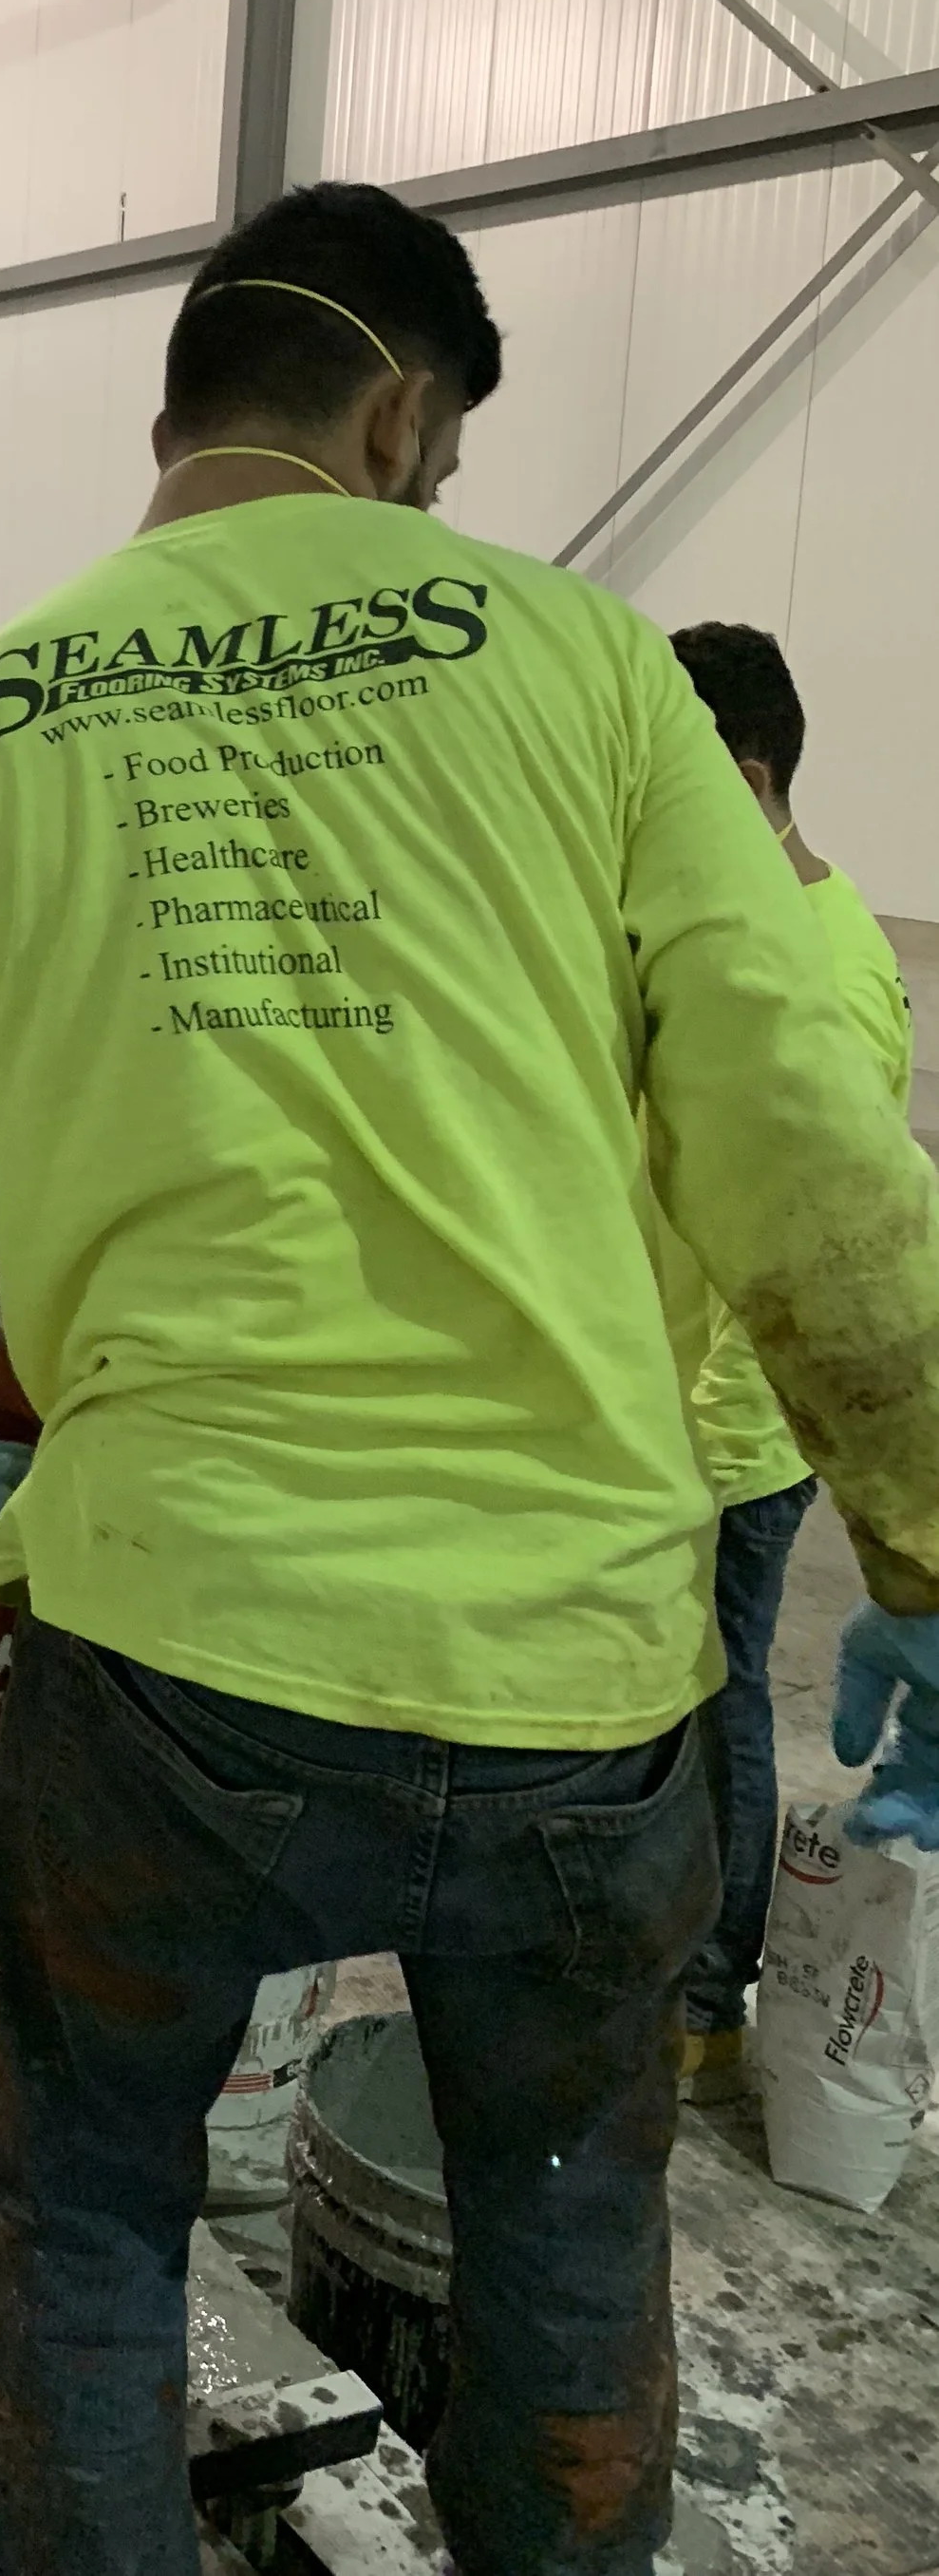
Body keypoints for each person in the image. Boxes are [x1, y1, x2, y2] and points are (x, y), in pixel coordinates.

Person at [0, 180, 939, 2576]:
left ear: (174, 413)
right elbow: (801, 1142)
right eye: (438, 461)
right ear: (396, 405)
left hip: (164, 1662)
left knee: (77, 2214)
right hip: (570, 1676)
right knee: (569, 2236)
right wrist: (919, 1526)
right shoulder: (586, 670)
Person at [660, 623, 916, 2099]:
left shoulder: (829, 968)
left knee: (721, 1701)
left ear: (749, 776)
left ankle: (707, 1999)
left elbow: (844, 1240)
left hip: (742, 1425)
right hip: (676, 1397)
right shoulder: (742, 925)